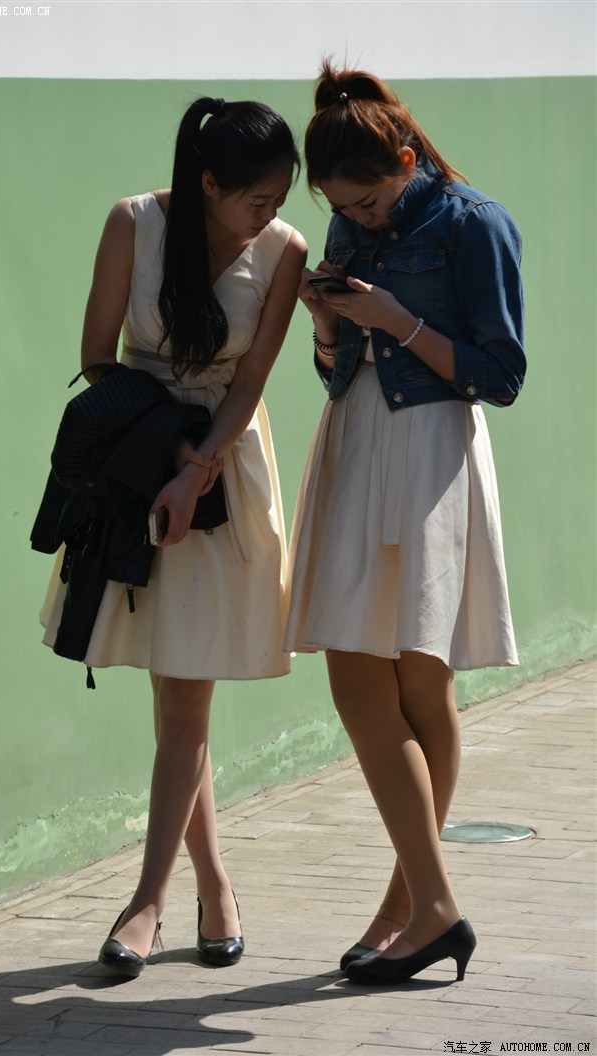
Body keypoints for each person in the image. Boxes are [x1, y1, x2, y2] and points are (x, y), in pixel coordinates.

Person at [40, 96, 306, 977]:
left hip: (225, 471)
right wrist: (167, 453)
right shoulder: (134, 223)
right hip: (139, 460)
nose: (270, 214)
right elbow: (97, 356)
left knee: (186, 693)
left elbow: (251, 381)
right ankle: (214, 886)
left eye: (280, 198)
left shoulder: (285, 251)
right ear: (208, 182)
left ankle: (148, 901)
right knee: (176, 692)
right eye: (256, 198)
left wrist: (198, 470)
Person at [284, 63, 526, 985]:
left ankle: (422, 908)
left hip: (430, 452)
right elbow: (336, 369)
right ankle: (419, 909)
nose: (362, 218)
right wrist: (329, 325)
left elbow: (501, 375)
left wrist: (396, 319)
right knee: (365, 678)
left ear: (409, 161)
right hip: (356, 443)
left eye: (374, 201)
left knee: (417, 685)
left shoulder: (475, 223)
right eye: (345, 207)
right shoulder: (351, 222)